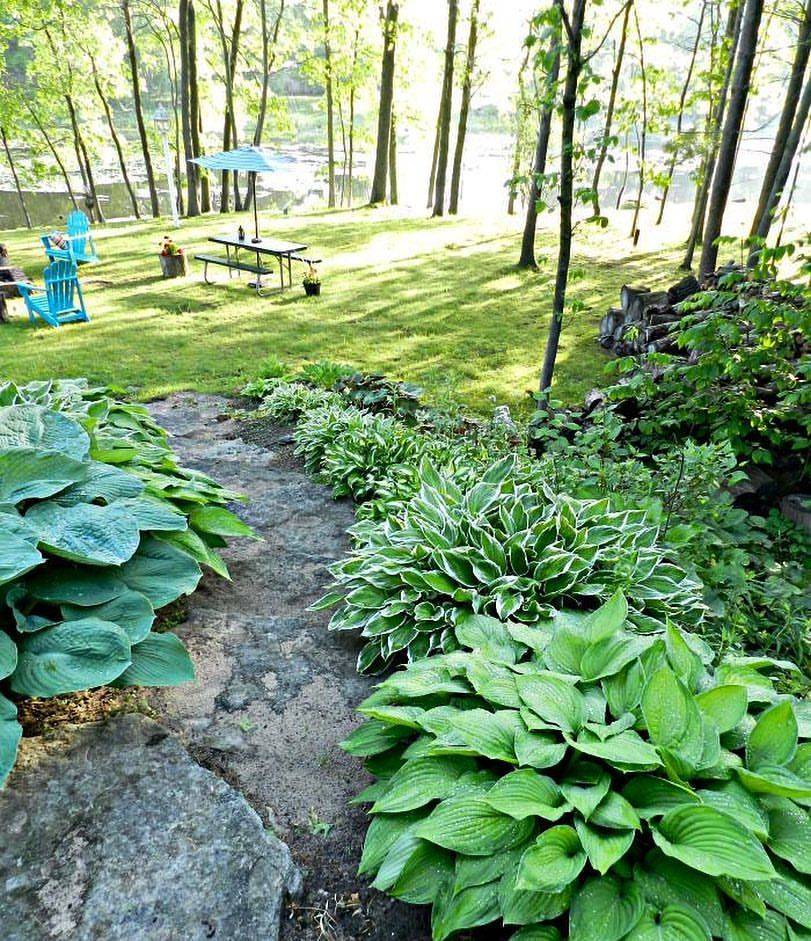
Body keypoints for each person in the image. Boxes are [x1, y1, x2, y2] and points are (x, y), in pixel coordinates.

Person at [0, 243, 31, 323]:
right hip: (4, 275)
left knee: (16, 272)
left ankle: (21, 288)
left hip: (5, 274)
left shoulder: (3, 256)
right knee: (16, 272)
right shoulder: (3, 257)